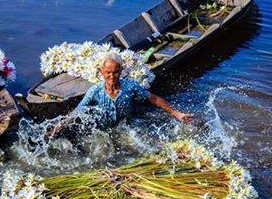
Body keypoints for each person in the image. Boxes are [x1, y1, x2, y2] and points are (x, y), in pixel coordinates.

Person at [50, 52, 193, 136]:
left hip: (127, 128)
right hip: (103, 132)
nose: (112, 76)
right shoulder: (95, 91)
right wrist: (59, 127)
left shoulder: (130, 87)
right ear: (101, 73)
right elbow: (78, 111)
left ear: (121, 71)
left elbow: (153, 98)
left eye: (115, 72)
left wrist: (176, 113)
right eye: (108, 73)